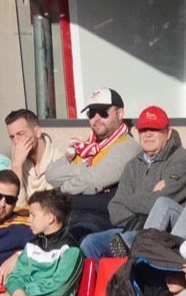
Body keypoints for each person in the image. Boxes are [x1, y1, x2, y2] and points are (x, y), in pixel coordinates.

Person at [43, 89, 141, 236]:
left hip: (100, 217)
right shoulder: (85, 146)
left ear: (120, 114)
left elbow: (94, 181)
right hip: (71, 212)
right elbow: (51, 174)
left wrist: (61, 190)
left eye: (103, 112)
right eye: (92, 113)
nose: (96, 118)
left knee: (76, 234)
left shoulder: (127, 147)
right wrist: (85, 167)